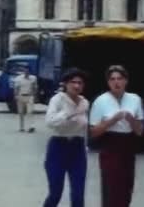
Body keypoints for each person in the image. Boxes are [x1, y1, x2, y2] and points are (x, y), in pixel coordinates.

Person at [89, 65, 144, 207]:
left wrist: (131, 119)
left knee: (127, 187)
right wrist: (113, 120)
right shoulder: (101, 101)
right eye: (112, 79)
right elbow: (93, 132)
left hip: (128, 146)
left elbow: (140, 131)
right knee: (111, 187)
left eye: (120, 78)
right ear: (108, 82)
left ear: (126, 81)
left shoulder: (135, 99)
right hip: (110, 146)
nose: (116, 82)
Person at [43, 68, 90, 207]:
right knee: (55, 192)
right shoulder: (57, 100)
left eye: (80, 83)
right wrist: (68, 114)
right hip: (58, 147)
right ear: (65, 84)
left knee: (78, 194)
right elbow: (50, 122)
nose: (76, 86)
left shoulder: (84, 102)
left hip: (77, 148)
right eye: (73, 82)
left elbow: (84, 126)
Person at [13, 66, 38, 132]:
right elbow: (16, 88)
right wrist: (16, 95)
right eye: (25, 71)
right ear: (23, 71)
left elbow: (35, 87)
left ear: (29, 71)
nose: (26, 72)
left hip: (29, 96)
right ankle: (21, 127)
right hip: (21, 96)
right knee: (21, 112)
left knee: (30, 111)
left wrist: (34, 95)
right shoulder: (18, 78)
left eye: (28, 71)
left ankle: (31, 126)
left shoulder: (33, 78)